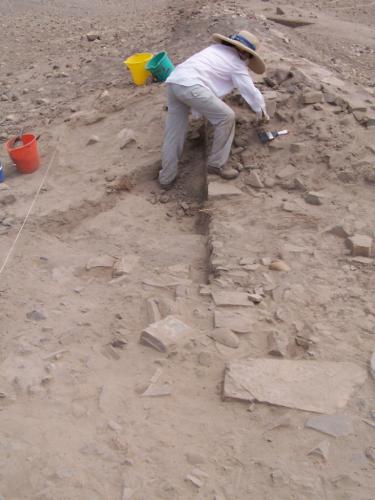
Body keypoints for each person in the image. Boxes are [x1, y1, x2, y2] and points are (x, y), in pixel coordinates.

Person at [159, 30, 269, 189]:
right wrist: (262, 112)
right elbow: (249, 91)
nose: (247, 60)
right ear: (243, 51)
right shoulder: (236, 64)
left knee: (174, 133)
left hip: (174, 82)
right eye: (248, 56)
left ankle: (166, 179)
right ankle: (217, 164)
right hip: (191, 86)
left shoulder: (213, 50)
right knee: (226, 117)